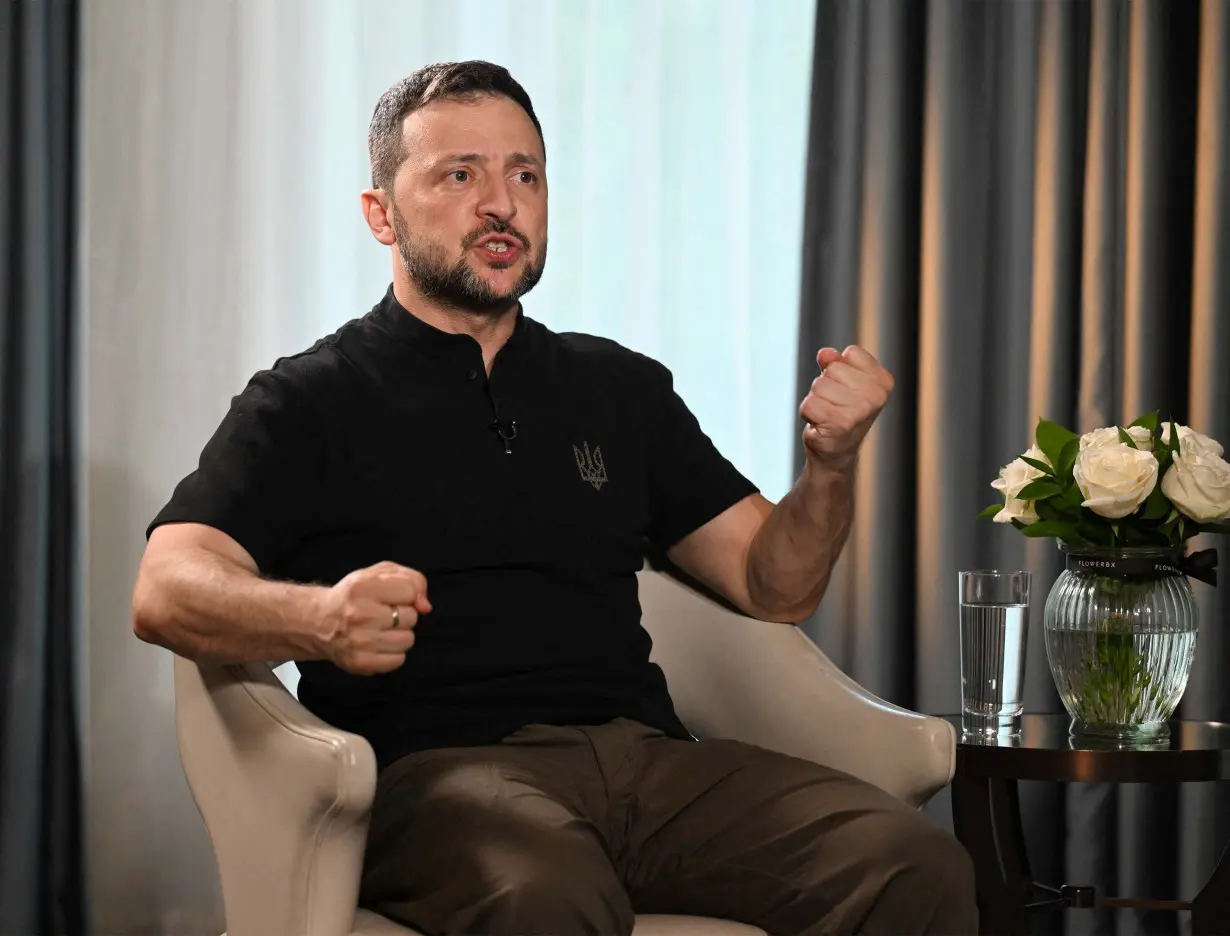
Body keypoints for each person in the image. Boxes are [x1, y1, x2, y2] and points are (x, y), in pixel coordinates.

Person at [132, 61, 976, 936]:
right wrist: (319, 621)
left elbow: (775, 584)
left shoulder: (618, 388)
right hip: (441, 776)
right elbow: (164, 588)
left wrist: (830, 466)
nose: (501, 203)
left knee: (911, 865)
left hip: (647, 765)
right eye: (460, 174)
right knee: (547, 892)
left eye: (524, 175)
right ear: (381, 213)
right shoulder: (310, 399)